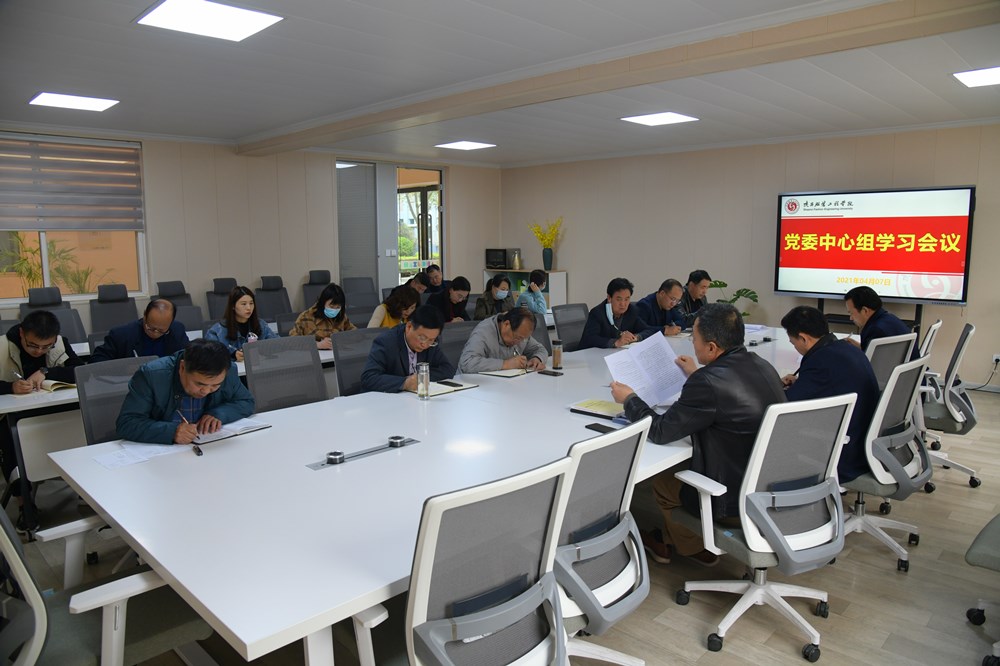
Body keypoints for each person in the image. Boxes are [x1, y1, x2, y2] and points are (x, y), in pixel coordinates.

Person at [610, 303, 786, 566]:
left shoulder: (708, 383)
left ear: (712, 347)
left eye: (695, 338)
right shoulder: (763, 365)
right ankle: (670, 540)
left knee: (664, 485)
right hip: (768, 485)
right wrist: (698, 373)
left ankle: (693, 547)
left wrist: (630, 399)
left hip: (732, 498)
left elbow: (659, 430)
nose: (693, 344)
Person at [0, 310, 86, 531]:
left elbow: (79, 370)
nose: (39, 351)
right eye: (33, 346)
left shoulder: (60, 344)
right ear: (21, 334)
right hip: (14, 416)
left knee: (79, 421)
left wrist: (46, 371)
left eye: (46, 346)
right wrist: (10, 387)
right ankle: (24, 504)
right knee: (9, 438)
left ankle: (86, 487)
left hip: (50, 410)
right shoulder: (2, 347)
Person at [779, 306, 880, 483]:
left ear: (804, 338)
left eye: (793, 343)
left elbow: (787, 405)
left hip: (845, 456)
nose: (795, 347)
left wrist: (776, 387)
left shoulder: (820, 361)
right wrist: (802, 382)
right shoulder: (846, 349)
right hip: (865, 445)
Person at [116, 338, 256, 445]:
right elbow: (127, 423)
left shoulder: (228, 371)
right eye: (199, 384)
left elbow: (246, 401)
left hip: (210, 447)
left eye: (215, 385)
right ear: (182, 367)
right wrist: (172, 431)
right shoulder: (151, 375)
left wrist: (219, 414)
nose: (206, 391)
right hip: (166, 454)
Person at [360, 305, 456, 393]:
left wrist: (421, 378)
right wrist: (405, 383)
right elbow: (369, 378)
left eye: (431, 340)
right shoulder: (387, 342)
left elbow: (448, 369)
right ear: (409, 327)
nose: (425, 345)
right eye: (422, 338)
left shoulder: (431, 343)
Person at [90, 299, 188, 362]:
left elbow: (187, 357)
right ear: (145, 315)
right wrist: (123, 368)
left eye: (161, 331)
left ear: (171, 322)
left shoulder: (177, 330)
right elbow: (96, 362)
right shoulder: (121, 335)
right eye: (151, 328)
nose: (155, 333)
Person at [459, 307, 548, 373]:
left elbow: (540, 349)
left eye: (524, 339)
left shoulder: (521, 334)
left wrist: (537, 359)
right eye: (517, 338)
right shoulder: (483, 332)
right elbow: (467, 363)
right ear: (506, 324)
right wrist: (505, 364)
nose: (520, 342)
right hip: (473, 386)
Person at [578, 277, 659, 350]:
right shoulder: (597, 313)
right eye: (619, 299)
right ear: (609, 298)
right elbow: (589, 339)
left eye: (626, 299)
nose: (623, 304)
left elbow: (649, 330)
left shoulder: (632, 311)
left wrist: (636, 337)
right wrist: (615, 342)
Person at [204, 286, 278, 361]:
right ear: (233, 306)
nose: (249, 308)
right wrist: (232, 355)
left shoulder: (261, 325)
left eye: (251, 303)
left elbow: (278, 344)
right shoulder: (217, 331)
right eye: (243, 304)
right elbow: (209, 356)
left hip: (258, 366)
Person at [290, 282, 356, 349]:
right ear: (323, 302)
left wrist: (342, 339)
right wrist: (317, 345)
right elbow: (292, 341)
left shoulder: (341, 315)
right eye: (331, 306)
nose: (334, 310)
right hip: (314, 354)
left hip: (338, 353)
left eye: (338, 307)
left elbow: (355, 333)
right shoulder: (306, 317)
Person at [843, 285, 911, 350]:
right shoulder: (889, 318)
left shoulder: (875, 330)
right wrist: (857, 347)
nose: (851, 318)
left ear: (865, 311)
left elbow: (868, 358)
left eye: (851, 313)